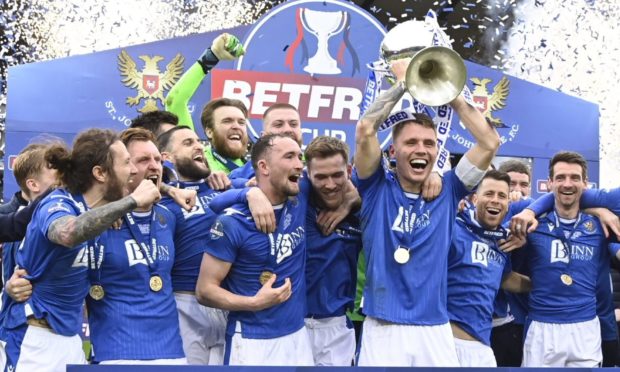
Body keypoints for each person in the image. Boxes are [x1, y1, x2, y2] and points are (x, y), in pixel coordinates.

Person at [353, 55, 500, 366]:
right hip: (383, 327)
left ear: (437, 151)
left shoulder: (449, 189)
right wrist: (403, 84)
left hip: (434, 329)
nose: (421, 149)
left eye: (429, 144)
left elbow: (488, 142)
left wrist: (449, 92)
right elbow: (366, 129)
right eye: (411, 143)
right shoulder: (376, 187)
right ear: (392, 151)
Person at [2, 128, 160, 372]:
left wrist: (170, 190)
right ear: (100, 173)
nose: (134, 170)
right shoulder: (58, 203)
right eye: (127, 162)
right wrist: (130, 202)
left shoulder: (102, 211)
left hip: (72, 340)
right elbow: (68, 233)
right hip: (35, 340)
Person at [195, 133, 314, 366]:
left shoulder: (300, 194)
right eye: (289, 157)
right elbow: (204, 291)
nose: (299, 165)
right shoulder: (232, 222)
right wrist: (254, 303)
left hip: (298, 336)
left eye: (300, 157)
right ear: (264, 166)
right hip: (251, 339)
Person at [84, 128, 185, 364]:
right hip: (117, 352)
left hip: (172, 351)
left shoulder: (169, 217)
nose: (155, 166)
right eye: (143, 160)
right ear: (125, 167)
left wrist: (249, 195)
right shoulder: (96, 220)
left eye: (158, 159)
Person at [510, 151, 615, 367]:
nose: (568, 184)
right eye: (560, 178)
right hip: (542, 327)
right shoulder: (531, 224)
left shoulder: (599, 226)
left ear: (585, 184)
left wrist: (601, 211)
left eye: (575, 178)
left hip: (586, 329)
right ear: (549, 183)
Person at [158, 126, 227, 364]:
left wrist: (251, 194)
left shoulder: (226, 186)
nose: (199, 145)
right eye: (188, 143)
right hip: (184, 305)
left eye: (199, 141)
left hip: (228, 302)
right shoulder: (161, 202)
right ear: (166, 157)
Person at [447, 170, 531, 367]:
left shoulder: (503, 241)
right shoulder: (452, 226)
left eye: (502, 196)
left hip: (482, 346)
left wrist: (544, 284)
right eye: (489, 194)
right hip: (445, 343)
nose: (495, 200)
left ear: (508, 204)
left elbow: (504, 278)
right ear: (474, 198)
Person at [0, 143, 59, 371]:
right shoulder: (8, 216)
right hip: (16, 323)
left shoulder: (72, 209)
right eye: (55, 168)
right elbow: (19, 224)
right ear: (33, 183)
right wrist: (7, 286)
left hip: (63, 326)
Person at [303, 136, 361, 366]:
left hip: (337, 328)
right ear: (308, 175)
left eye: (337, 175)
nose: (329, 184)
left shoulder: (362, 208)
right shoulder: (295, 200)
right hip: (291, 324)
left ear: (348, 170)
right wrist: (250, 193)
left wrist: (351, 203)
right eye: (320, 177)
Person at [166, 33, 247, 174]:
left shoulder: (259, 166)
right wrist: (213, 55)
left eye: (241, 122)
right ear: (209, 131)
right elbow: (175, 101)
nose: (236, 126)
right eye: (227, 121)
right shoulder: (198, 158)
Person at [491, 159, 533, 366]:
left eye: (524, 185)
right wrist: (514, 206)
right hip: (497, 320)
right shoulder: (482, 214)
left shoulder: (537, 213)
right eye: (512, 184)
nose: (518, 190)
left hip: (530, 318)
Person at [228, 103, 303, 185]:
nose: (287, 129)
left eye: (293, 124)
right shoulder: (239, 177)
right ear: (263, 137)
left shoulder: (311, 170)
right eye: (278, 125)